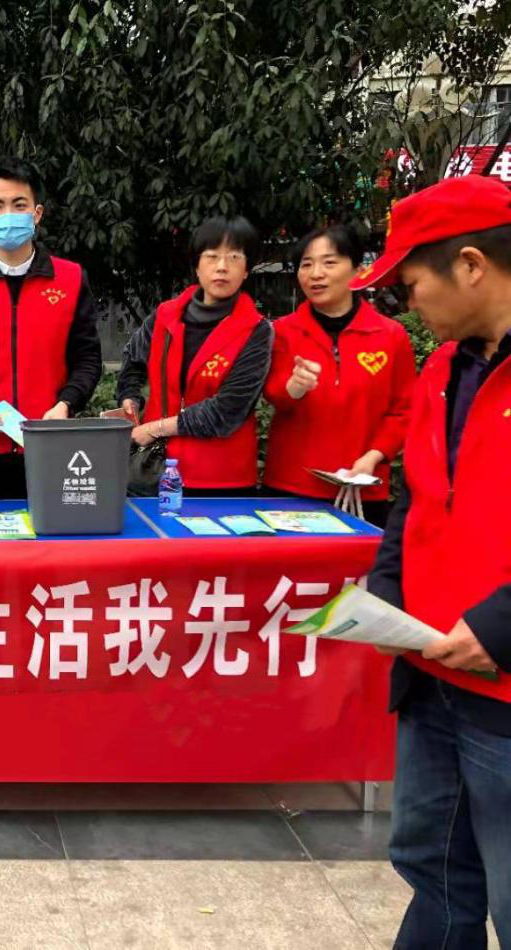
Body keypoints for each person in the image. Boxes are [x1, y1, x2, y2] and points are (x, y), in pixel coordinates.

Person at [361, 174, 511, 950]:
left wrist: (498, 626)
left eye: (411, 285)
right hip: (431, 678)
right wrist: (383, 596)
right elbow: (414, 500)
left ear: (471, 266)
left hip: (501, 687)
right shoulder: (442, 369)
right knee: (432, 871)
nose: (406, 304)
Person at [0, 156, 103, 500]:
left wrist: (66, 405)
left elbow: (87, 359)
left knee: (53, 535)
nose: (7, 214)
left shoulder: (70, 279)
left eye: (19, 204)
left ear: (37, 213)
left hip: (51, 445)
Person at [261, 225, 415, 525]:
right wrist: (293, 387)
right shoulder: (282, 332)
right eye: (306, 264)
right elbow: (272, 394)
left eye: (329, 263)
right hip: (291, 487)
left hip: (362, 489)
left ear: (358, 269)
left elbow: (404, 410)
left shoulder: (390, 335)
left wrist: (375, 455)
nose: (316, 274)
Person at [116, 216, 273, 496]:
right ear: (197, 266)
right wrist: (129, 397)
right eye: (211, 256)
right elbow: (133, 361)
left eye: (234, 257)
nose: (222, 266)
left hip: (221, 480)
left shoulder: (257, 331)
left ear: (247, 270)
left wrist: (154, 428)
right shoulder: (164, 316)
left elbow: (226, 411)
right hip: (154, 472)